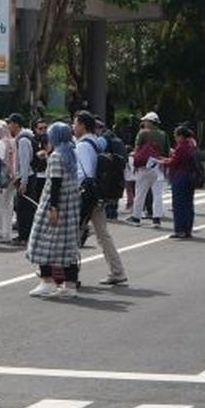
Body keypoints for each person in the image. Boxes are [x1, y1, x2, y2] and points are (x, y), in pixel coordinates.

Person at [27, 121, 82, 298]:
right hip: (70, 205)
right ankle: (70, 284)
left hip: (56, 204)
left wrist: (53, 208)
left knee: (41, 240)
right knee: (67, 245)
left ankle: (47, 281)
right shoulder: (71, 153)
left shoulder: (56, 156)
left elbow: (55, 184)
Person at [75, 111, 128, 285]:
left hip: (86, 194)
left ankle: (68, 275)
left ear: (83, 125)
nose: (73, 127)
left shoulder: (82, 145)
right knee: (102, 235)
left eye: (75, 123)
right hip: (98, 193)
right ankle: (117, 271)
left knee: (72, 234)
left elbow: (85, 173)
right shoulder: (97, 142)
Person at [129, 111, 169, 227]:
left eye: (146, 121)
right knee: (158, 194)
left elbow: (137, 150)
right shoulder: (164, 135)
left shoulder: (143, 133)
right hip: (158, 166)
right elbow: (166, 152)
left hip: (144, 166)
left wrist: (135, 165)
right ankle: (156, 219)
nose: (144, 123)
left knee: (140, 193)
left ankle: (136, 218)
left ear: (150, 122)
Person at [160, 126, 199, 238]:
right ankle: (187, 229)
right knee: (188, 204)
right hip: (190, 176)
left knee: (178, 204)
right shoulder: (191, 145)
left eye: (176, 135)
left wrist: (163, 161)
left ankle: (180, 230)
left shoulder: (181, 147)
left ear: (180, 136)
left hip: (180, 176)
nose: (175, 138)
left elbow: (174, 162)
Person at [9, 114, 38, 245]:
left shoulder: (23, 140)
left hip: (26, 177)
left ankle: (24, 236)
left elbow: (25, 162)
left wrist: (23, 182)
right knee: (23, 207)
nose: (9, 126)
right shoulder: (25, 137)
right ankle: (24, 235)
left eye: (10, 123)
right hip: (27, 176)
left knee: (24, 209)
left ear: (16, 124)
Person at [0, 119, 18, 243]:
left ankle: (0, 232)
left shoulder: (1, 143)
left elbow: (0, 163)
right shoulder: (13, 141)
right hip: (13, 178)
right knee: (8, 205)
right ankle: (7, 233)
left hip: (3, 179)